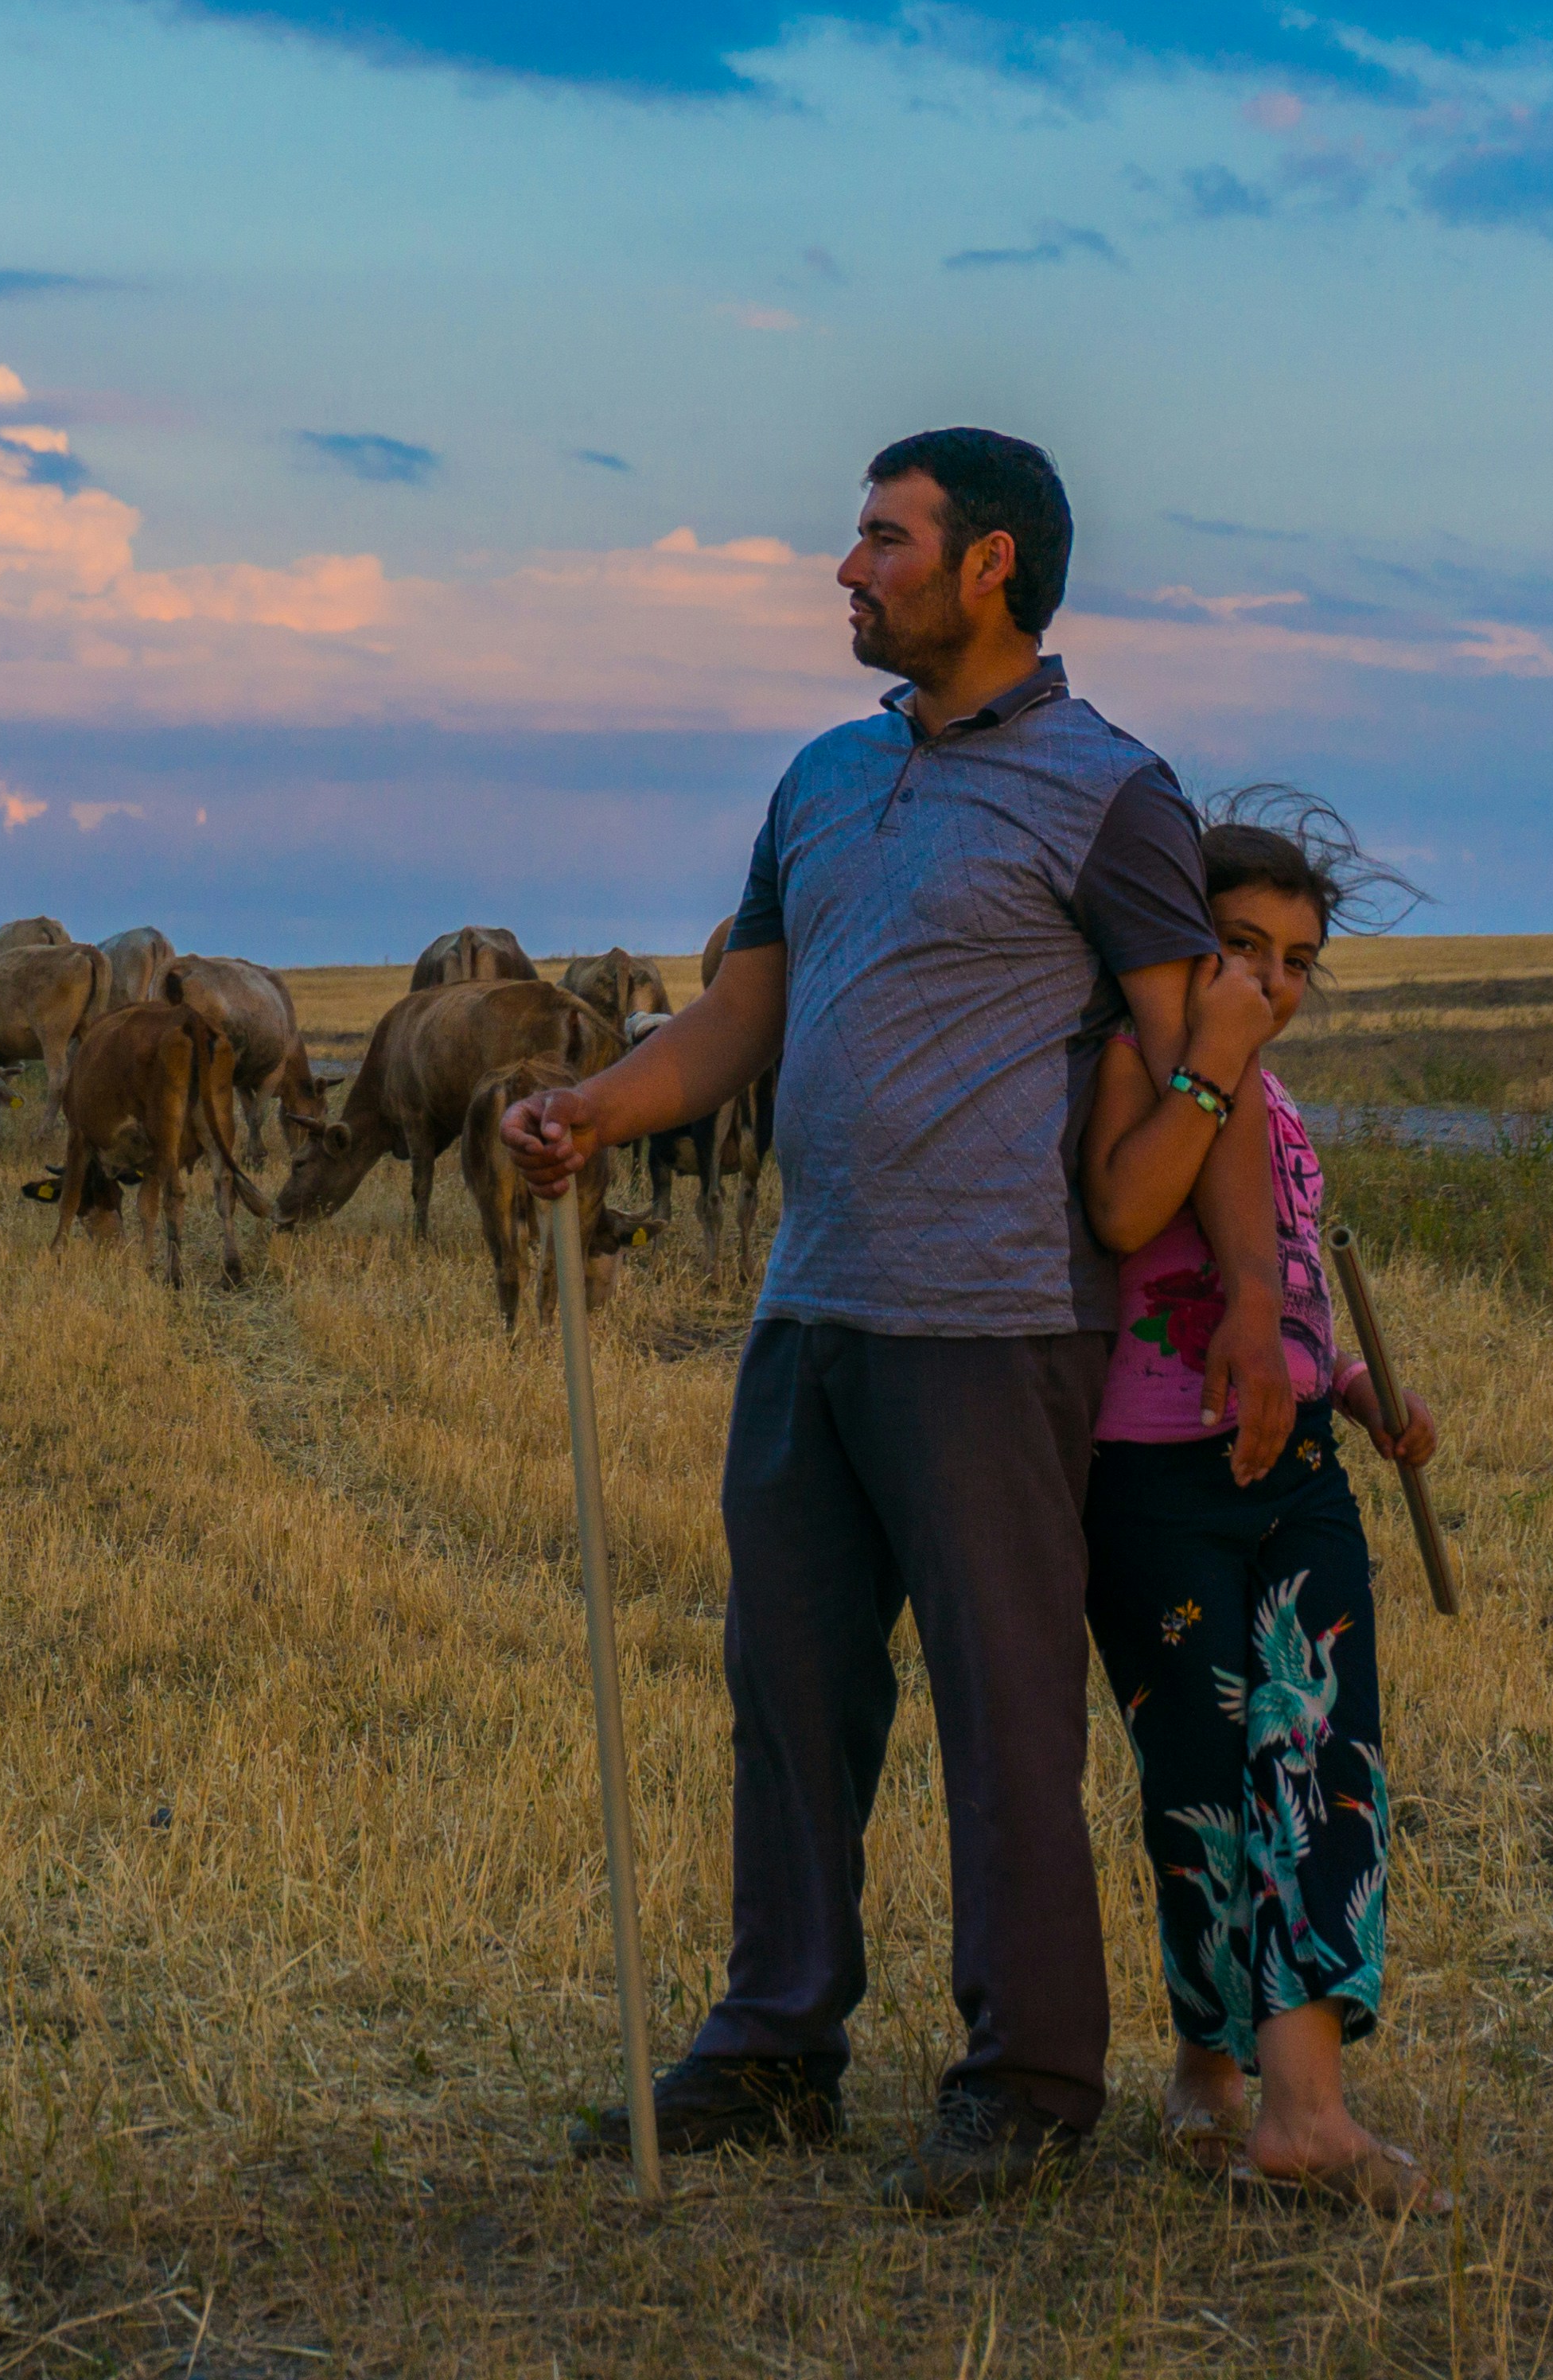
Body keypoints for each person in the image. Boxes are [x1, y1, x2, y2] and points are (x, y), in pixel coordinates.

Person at [504, 427, 1294, 2209]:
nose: (846, 573)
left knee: (1004, 1702)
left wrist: (1251, 1296)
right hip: (811, 1307)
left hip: (999, 1321)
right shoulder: (814, 781)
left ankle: (1025, 2077)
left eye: (879, 540)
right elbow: (740, 1015)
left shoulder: (1112, 792)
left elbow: (1194, 1070)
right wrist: (592, 1111)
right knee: (785, 1688)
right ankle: (773, 2041)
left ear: (987, 563)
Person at [1076, 793, 1447, 2214]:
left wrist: (1353, 1381)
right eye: (1239, 949)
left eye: (1295, 961)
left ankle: (1305, 2108)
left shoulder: (1280, 1107)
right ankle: (1207, 2068)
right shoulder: (1140, 1064)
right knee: (1201, 1791)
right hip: (1158, 1484)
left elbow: (1286, 1283)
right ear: (1183, 948)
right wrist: (1209, 1067)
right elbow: (1123, 1218)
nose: (1270, 986)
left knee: (1322, 1766)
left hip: (1297, 1479)